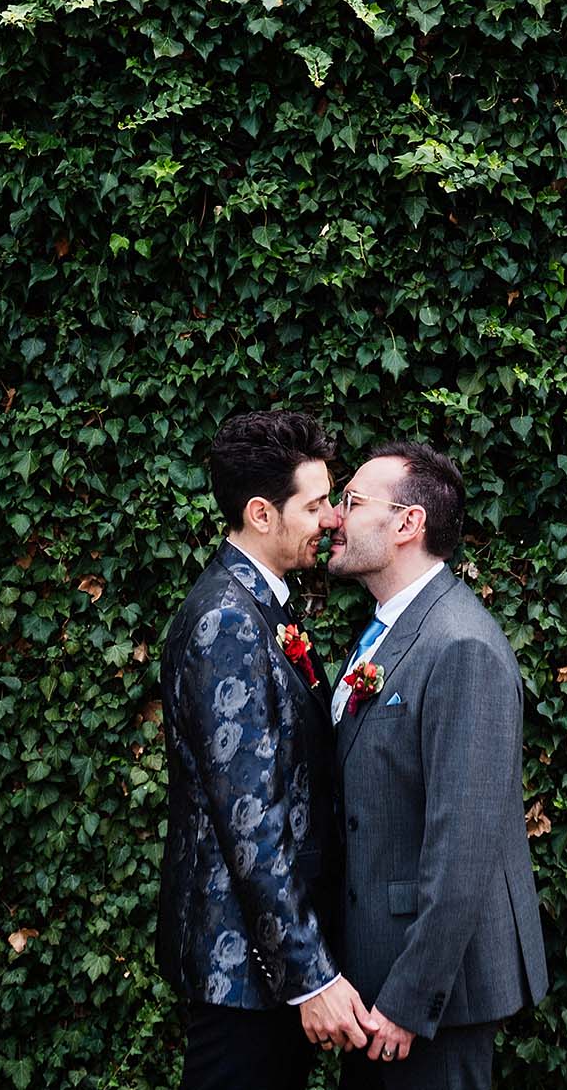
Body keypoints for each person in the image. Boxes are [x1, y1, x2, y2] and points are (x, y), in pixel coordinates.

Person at [157, 410, 379, 1090]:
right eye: (315, 505)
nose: (332, 520)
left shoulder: (264, 606)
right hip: (244, 976)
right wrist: (310, 976)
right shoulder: (228, 619)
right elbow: (249, 820)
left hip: (262, 968)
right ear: (261, 513)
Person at [326, 441, 549, 1090]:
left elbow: (463, 847)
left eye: (352, 501)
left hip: (430, 999)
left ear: (407, 523)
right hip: (374, 972)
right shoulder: (391, 629)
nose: (334, 516)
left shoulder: (460, 645)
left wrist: (409, 999)